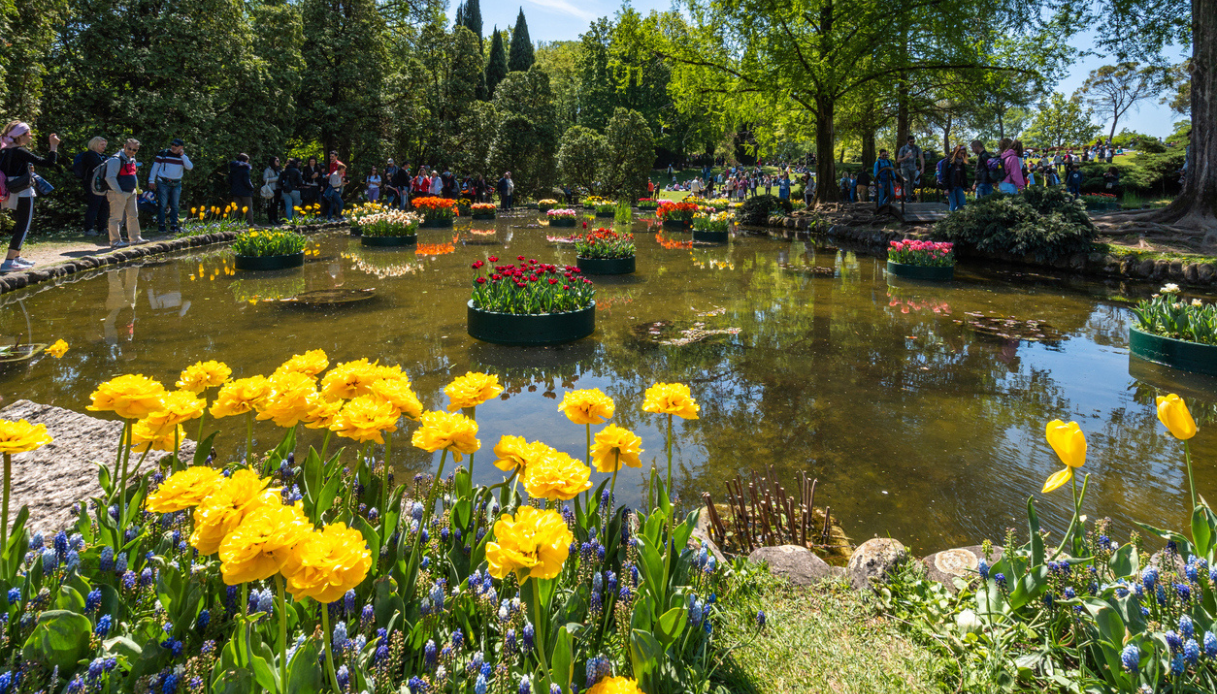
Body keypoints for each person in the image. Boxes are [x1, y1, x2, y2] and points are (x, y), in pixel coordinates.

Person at [0, 121, 59, 271]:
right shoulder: (19, 151)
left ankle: (16, 257)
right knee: (23, 226)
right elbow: (48, 163)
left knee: (19, 224)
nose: (31, 136)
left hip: (9, 192)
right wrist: (53, 146)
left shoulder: (3, 151)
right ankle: (9, 262)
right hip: (23, 192)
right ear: (21, 135)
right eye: (29, 134)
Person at [102, 138, 147, 248]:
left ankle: (135, 238)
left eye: (134, 150)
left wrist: (135, 190)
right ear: (124, 146)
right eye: (129, 148)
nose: (131, 151)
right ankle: (115, 241)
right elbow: (110, 177)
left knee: (133, 216)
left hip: (131, 192)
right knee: (116, 218)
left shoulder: (132, 159)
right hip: (117, 193)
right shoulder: (116, 159)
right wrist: (119, 191)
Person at [147, 138, 192, 235]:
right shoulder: (163, 153)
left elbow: (189, 167)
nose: (174, 147)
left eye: (176, 145)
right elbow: (155, 167)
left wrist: (183, 156)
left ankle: (173, 225)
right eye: (172, 144)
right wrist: (151, 180)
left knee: (175, 205)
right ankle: (161, 225)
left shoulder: (183, 157)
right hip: (163, 182)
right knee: (162, 205)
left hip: (176, 183)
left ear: (181, 147)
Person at [81, 136, 109, 237]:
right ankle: (89, 228)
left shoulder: (104, 156)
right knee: (94, 205)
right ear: (95, 144)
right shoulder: (89, 155)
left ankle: (102, 228)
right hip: (92, 184)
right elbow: (97, 165)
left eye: (105, 145)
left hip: (103, 184)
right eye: (102, 145)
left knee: (104, 206)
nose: (104, 147)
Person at [229, 153, 255, 225]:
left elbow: (230, 180)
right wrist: (251, 188)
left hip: (235, 191)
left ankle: (233, 223)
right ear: (245, 160)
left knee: (236, 208)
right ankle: (250, 223)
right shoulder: (245, 168)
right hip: (245, 192)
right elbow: (246, 181)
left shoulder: (233, 168)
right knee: (248, 208)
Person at [897, 135, 924, 202]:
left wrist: (922, 168)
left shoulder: (916, 148)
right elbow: (898, 160)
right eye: (910, 142)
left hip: (912, 167)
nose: (912, 143)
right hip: (904, 167)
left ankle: (909, 195)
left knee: (911, 183)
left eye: (913, 142)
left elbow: (921, 158)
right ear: (907, 141)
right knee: (907, 181)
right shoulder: (903, 148)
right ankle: (908, 198)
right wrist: (905, 157)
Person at [946, 145, 969, 212]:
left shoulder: (961, 163)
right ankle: (951, 217)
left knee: (963, 203)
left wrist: (967, 186)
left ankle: (955, 215)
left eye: (964, 153)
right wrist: (946, 188)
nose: (962, 155)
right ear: (956, 152)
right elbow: (945, 176)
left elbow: (964, 176)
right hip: (951, 186)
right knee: (953, 204)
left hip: (959, 186)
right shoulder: (949, 162)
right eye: (961, 153)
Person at [263, 156, 282, 226]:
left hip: (278, 189)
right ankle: (271, 219)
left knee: (276, 204)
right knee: (271, 205)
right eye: (277, 161)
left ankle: (276, 218)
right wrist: (276, 178)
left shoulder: (279, 169)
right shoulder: (268, 170)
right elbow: (265, 179)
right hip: (271, 189)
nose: (278, 162)